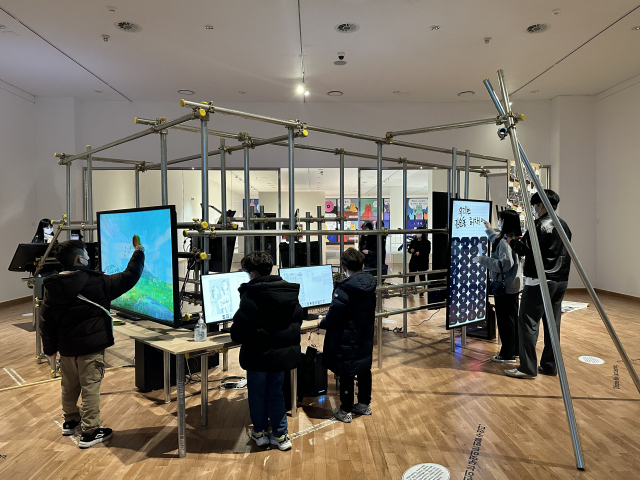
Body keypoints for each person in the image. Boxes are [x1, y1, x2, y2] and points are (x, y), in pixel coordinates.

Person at [40, 239, 145, 448]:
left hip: (66, 350)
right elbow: (129, 276)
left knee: (68, 386)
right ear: (80, 260)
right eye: (87, 254)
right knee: (90, 388)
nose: (89, 257)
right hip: (90, 348)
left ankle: (70, 421)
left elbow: (46, 322)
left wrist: (50, 349)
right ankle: (91, 431)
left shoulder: (53, 287)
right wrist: (139, 253)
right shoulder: (96, 282)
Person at [230, 251, 303, 451]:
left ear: (253, 274)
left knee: (257, 395)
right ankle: (281, 435)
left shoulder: (251, 294)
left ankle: (260, 433)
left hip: (258, 357)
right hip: (280, 357)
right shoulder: (288, 291)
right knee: (276, 394)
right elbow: (297, 319)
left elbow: (238, 332)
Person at [504, 190, 572, 379]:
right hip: (560, 280)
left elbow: (523, 250)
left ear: (541, 205)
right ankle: (550, 365)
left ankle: (527, 368)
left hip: (539, 280)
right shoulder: (564, 225)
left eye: (534, 205)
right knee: (553, 324)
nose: (534, 209)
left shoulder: (538, 225)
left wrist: (511, 242)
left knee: (528, 322)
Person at [319, 248, 377, 423]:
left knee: (347, 372)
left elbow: (333, 317)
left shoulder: (344, 289)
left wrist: (321, 323)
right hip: (365, 336)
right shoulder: (370, 284)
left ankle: (345, 410)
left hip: (347, 338)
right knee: (364, 368)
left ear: (343, 267)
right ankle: (364, 404)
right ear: (362, 265)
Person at [472, 210, 523, 363]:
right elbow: (497, 240)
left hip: (504, 287)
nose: (498, 222)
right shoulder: (514, 238)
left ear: (505, 222)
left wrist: (483, 259)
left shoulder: (504, 241)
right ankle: (515, 350)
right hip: (513, 285)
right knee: (512, 319)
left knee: (505, 321)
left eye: (500, 220)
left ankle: (507, 354)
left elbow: (505, 264)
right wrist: (489, 229)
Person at [408, 229, 431, 297]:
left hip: (422, 262)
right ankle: (411, 290)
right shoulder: (413, 242)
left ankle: (422, 292)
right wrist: (411, 250)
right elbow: (409, 250)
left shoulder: (427, 242)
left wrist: (420, 253)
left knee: (422, 277)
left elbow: (427, 251)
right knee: (411, 276)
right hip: (414, 261)